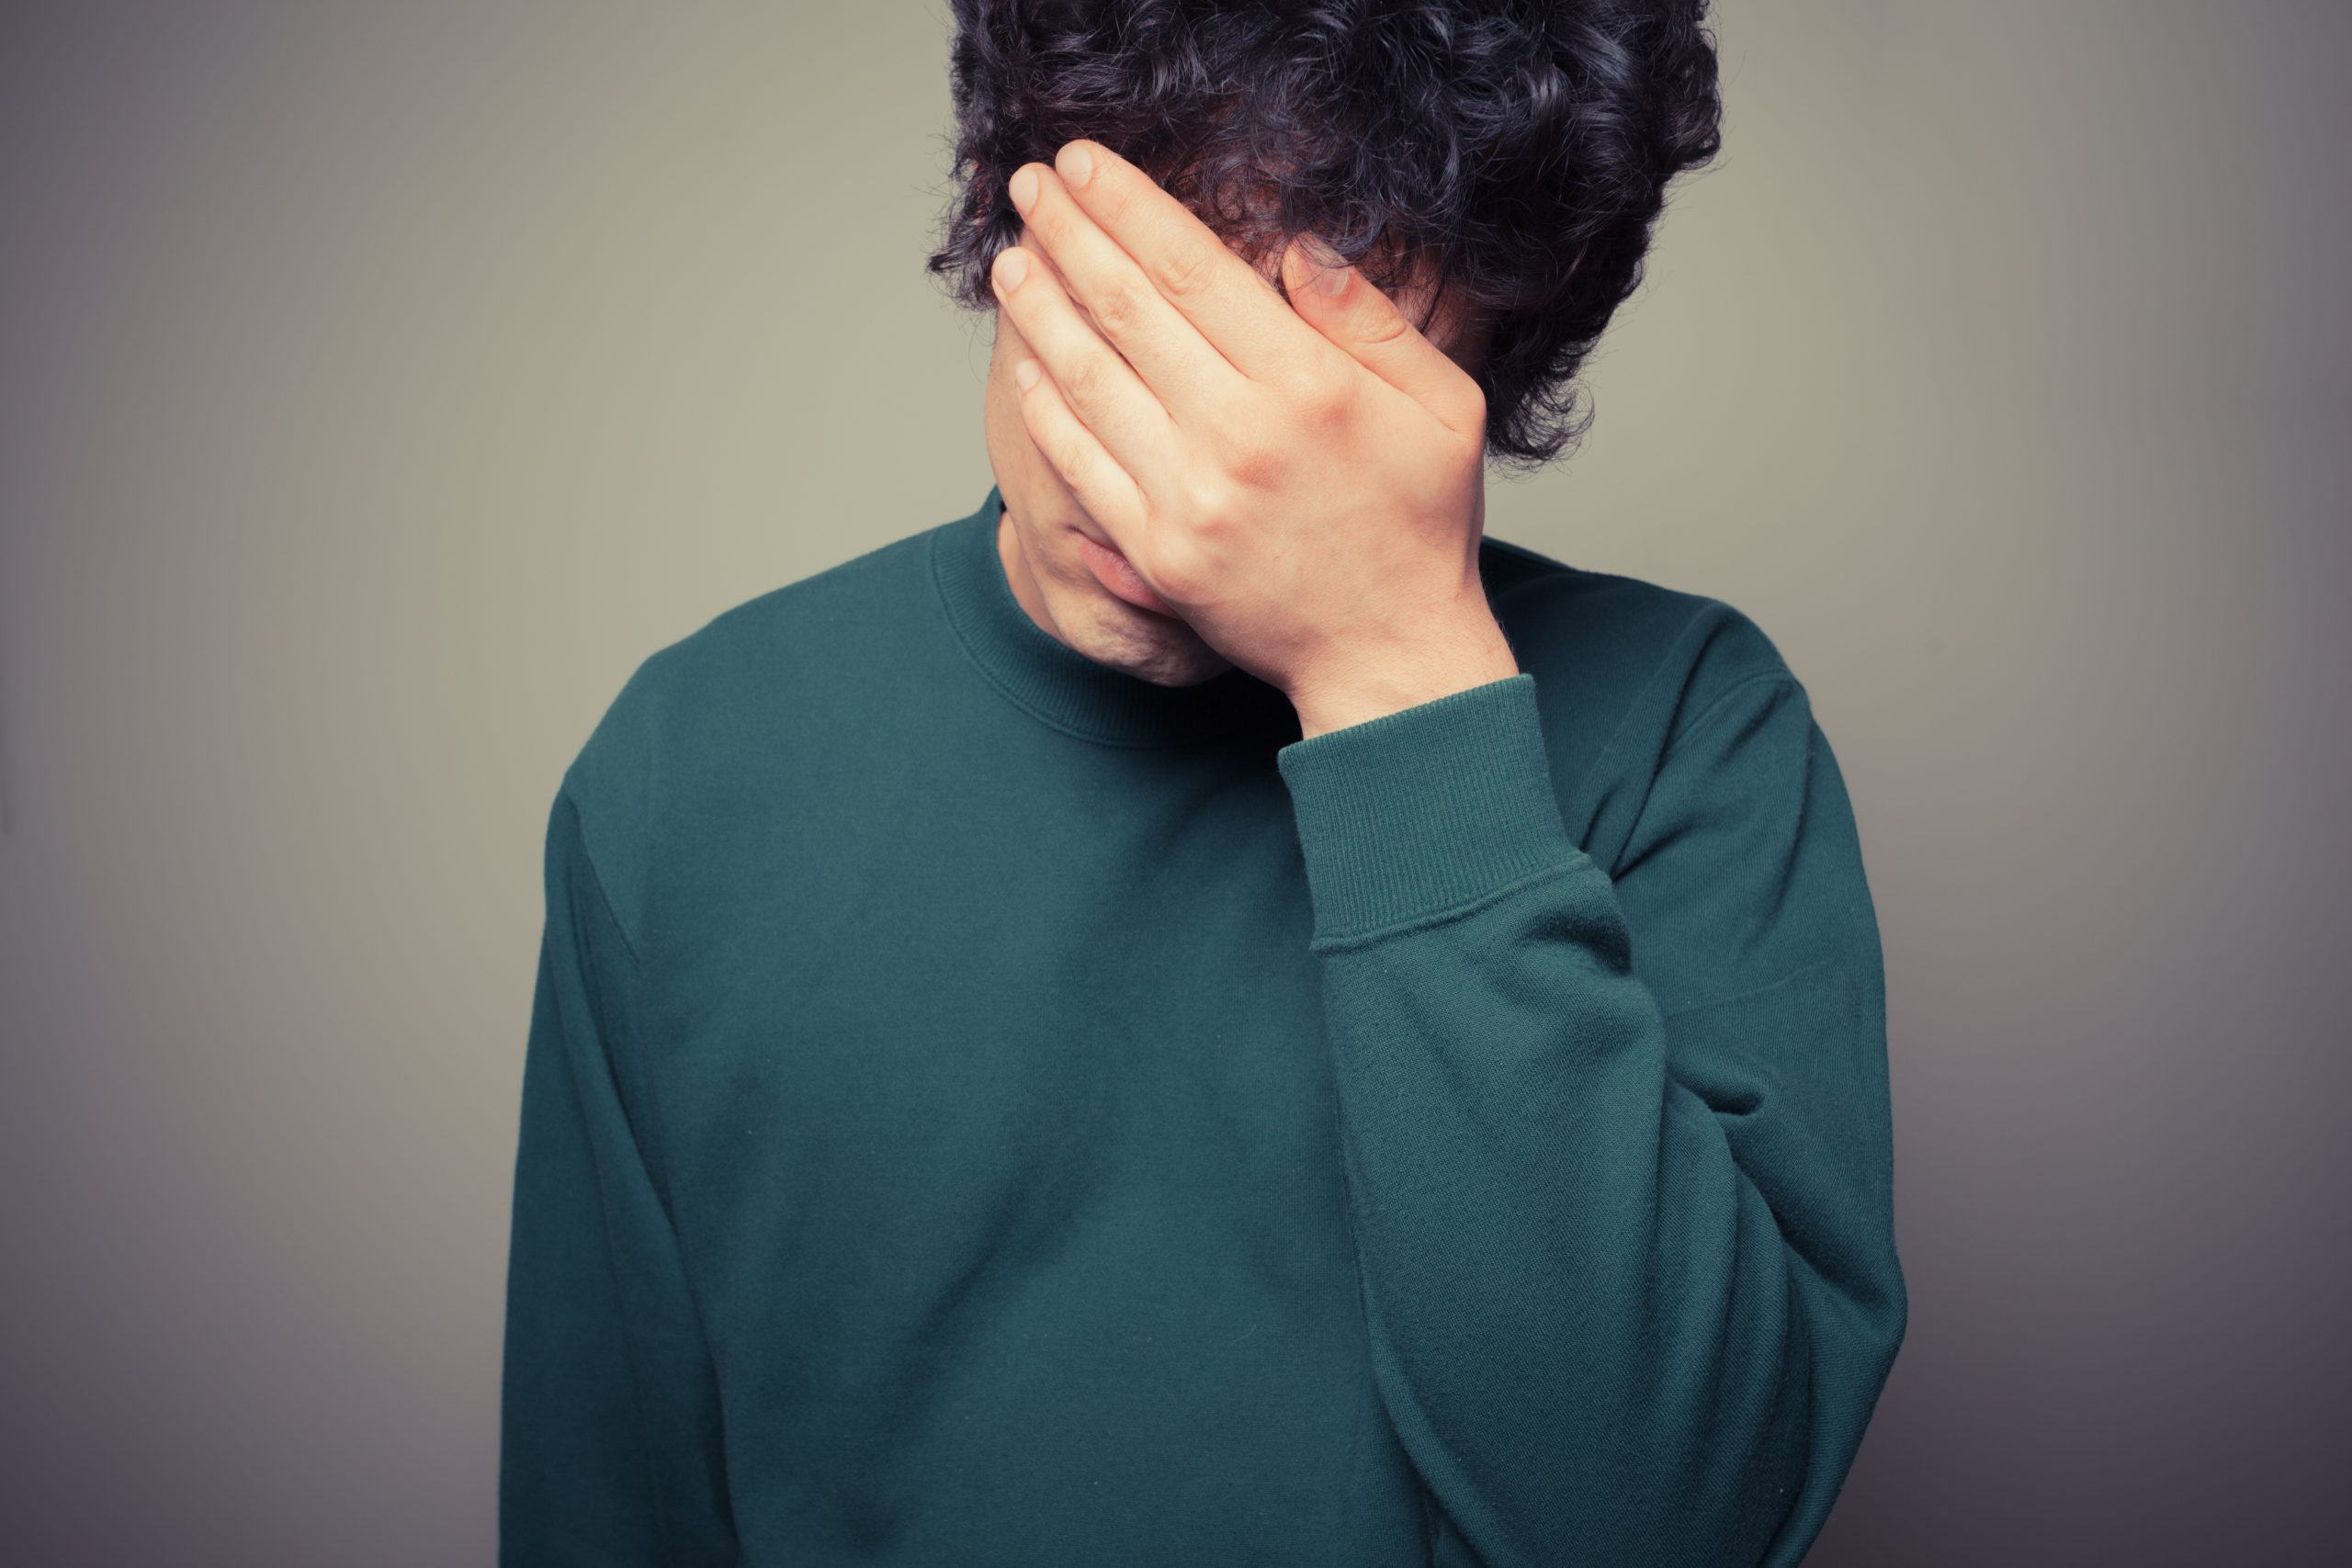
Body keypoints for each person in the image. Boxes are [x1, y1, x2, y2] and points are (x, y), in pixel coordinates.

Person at [498, 3, 1907, 1563]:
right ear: (1011, 210)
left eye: (1310, 394)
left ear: (1478, 379)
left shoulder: (1688, 731)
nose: (1190, 498)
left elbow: (1666, 1523)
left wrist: (1396, 669)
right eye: (1146, 326)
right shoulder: (689, 774)